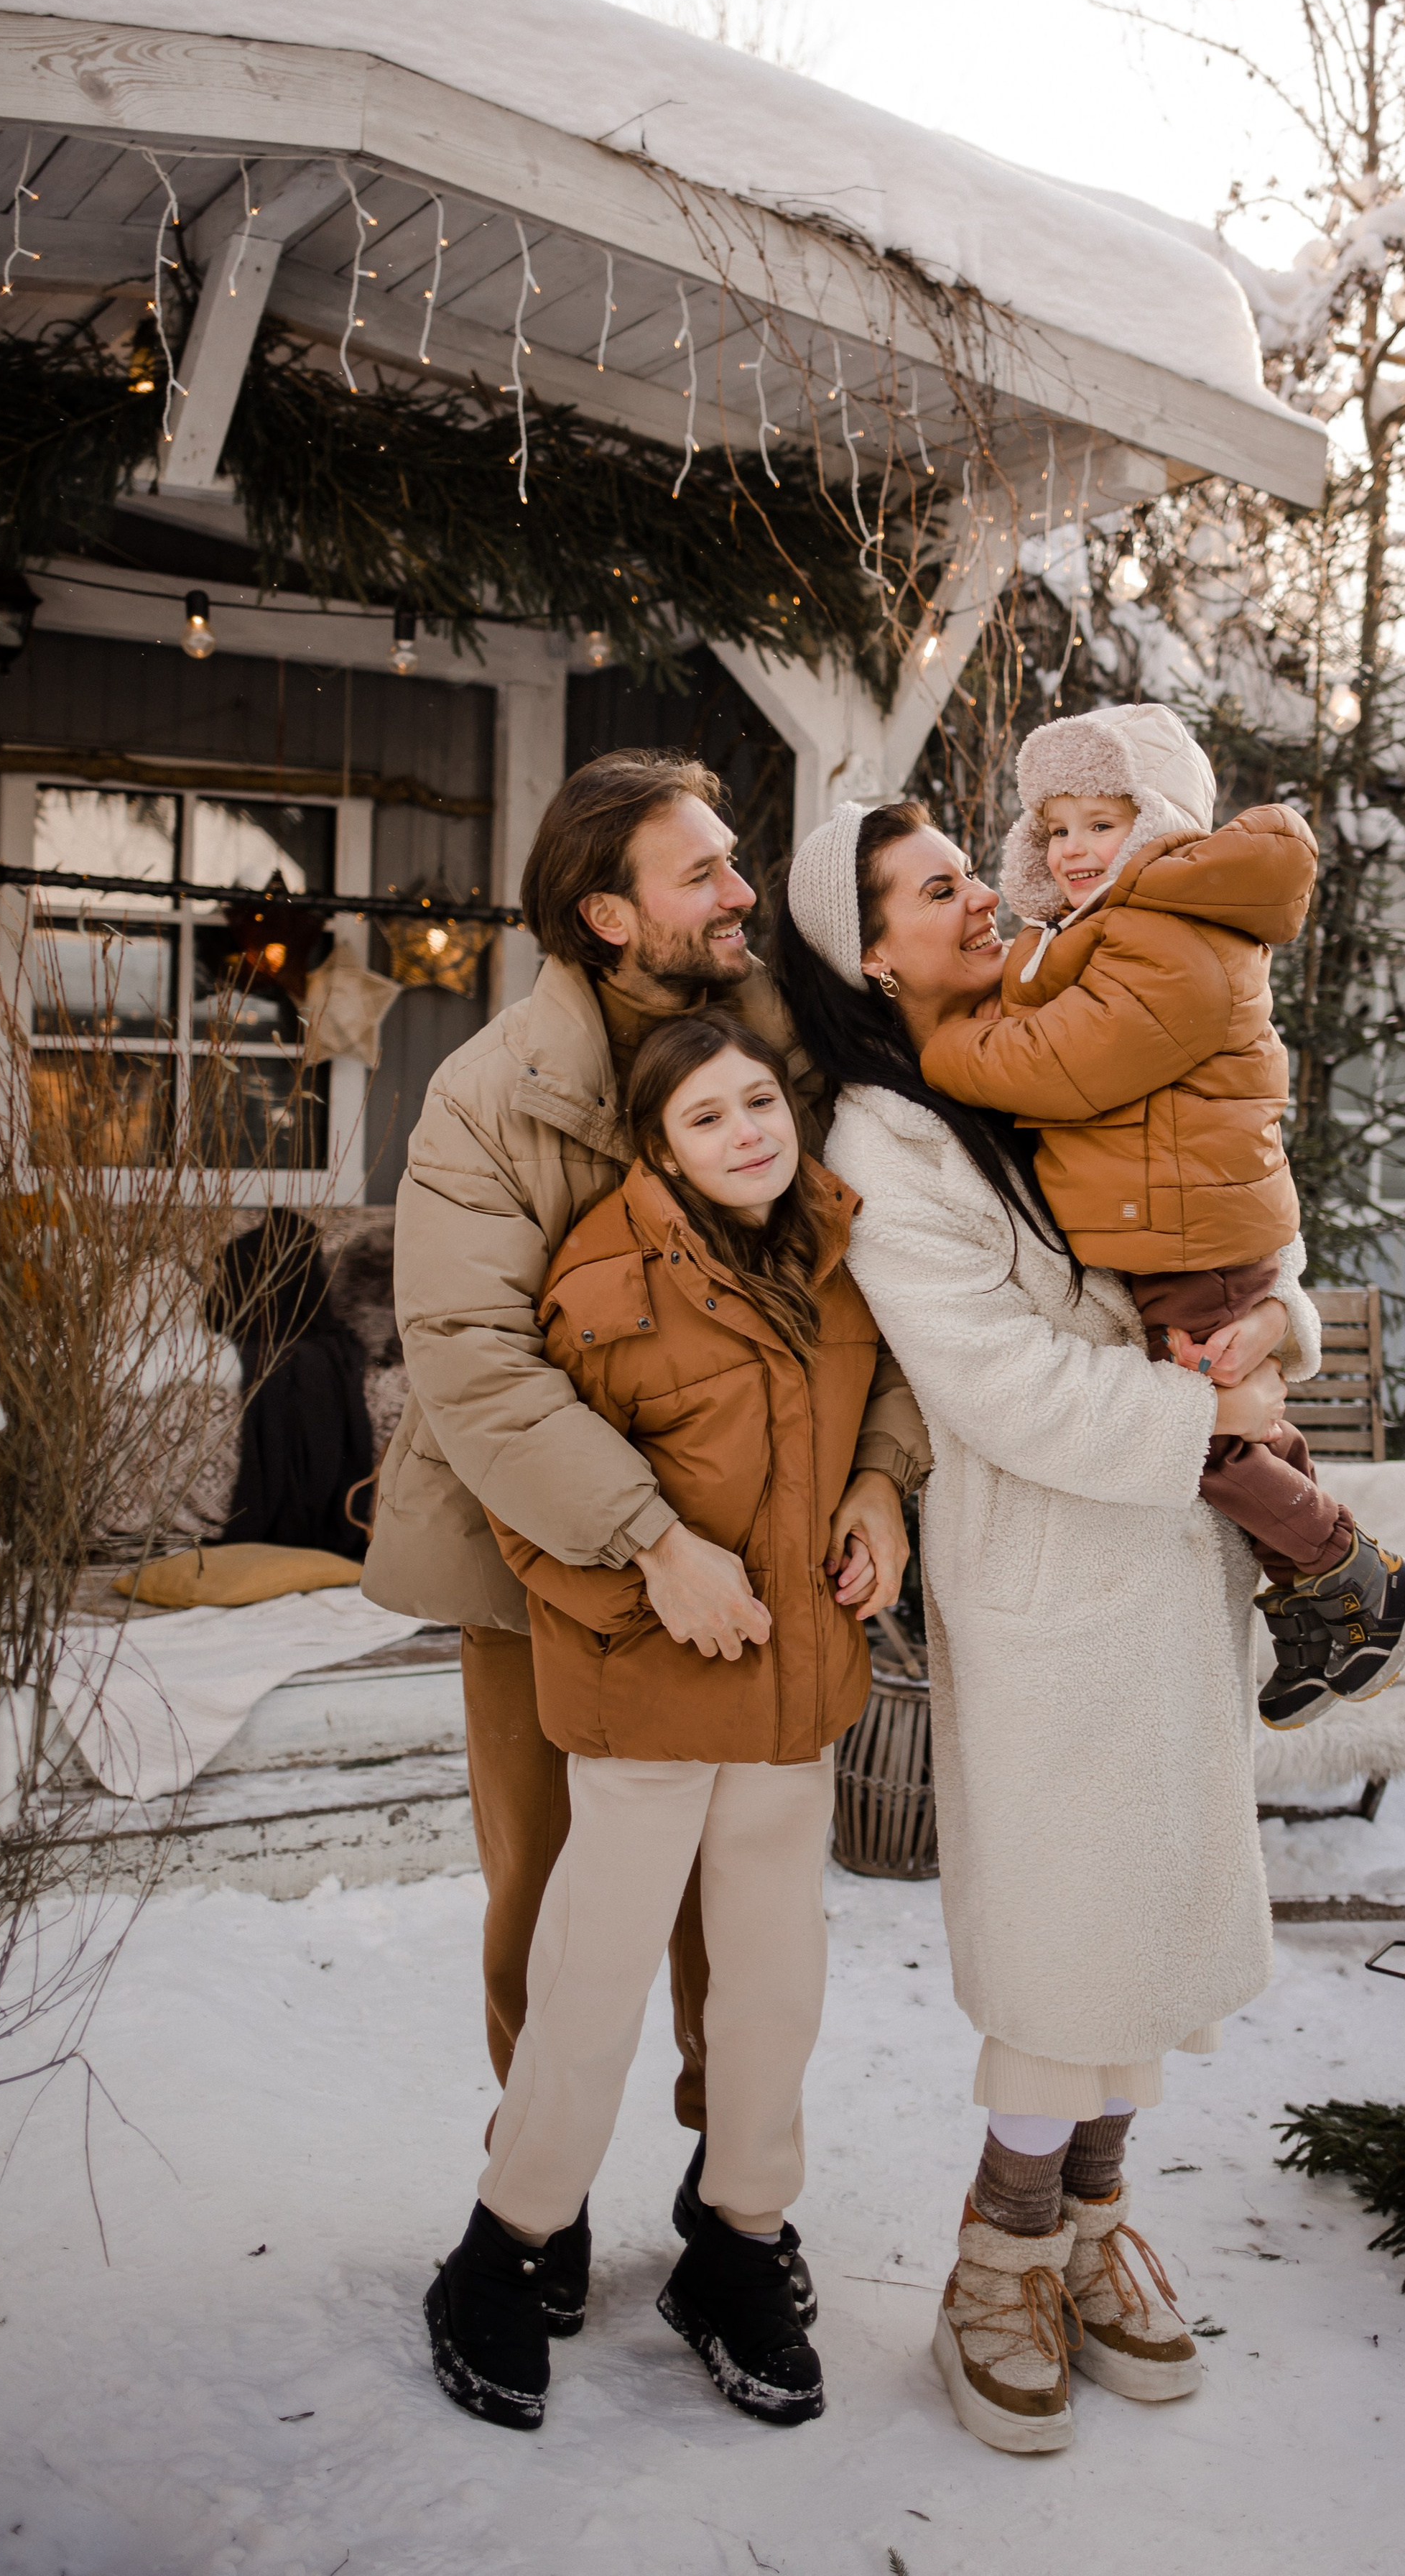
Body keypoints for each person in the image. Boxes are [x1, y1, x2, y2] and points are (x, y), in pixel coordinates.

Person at [776, 797, 1320, 2456]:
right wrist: (1205, 1420)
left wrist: (1272, 1325)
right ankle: (997, 2255)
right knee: (1060, 1940)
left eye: (967, 869)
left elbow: (1225, 1194)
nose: (976, 895)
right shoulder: (883, 1136)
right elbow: (992, 1381)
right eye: (931, 889)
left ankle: (1091, 2228)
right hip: (1053, 1572)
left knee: (1145, 1918)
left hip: (1173, 1562)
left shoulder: (1062, 1034)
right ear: (867, 954)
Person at [363, 753, 927, 2339]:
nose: (744, 892)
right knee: (557, 1890)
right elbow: (472, 1357)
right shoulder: (493, 1094)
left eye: (734, 862)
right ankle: (532, 2199)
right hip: (539, 1551)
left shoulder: (783, 1060)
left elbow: (876, 1299)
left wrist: (881, 1481)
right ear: (609, 916)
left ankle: (725, 2195)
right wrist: (645, 1537)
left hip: (772, 1560)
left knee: (746, 1916)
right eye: (704, 875)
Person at [425, 1014, 896, 2432]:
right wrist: (652, 1571)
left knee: (772, 1986)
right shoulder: (603, 1282)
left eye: (759, 1102)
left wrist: (881, 1490)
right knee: (592, 1982)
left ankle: (739, 2242)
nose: (747, 1132)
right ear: (658, 1151)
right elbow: (527, 1497)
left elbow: (890, 1390)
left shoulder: (833, 1247)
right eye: (706, 1117)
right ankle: (505, 2244)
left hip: (796, 1693)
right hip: (649, 1698)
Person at [918, 703, 1405, 1735]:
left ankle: (1351, 1571)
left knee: (1196, 1436)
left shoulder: (1169, 933)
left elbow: (1062, 1064)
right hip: (1184, 1227)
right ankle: (1319, 1601)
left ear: (1157, 823)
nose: (1071, 849)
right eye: (1055, 828)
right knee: (1242, 1416)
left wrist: (942, 1046)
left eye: (1100, 823)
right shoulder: (1126, 924)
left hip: (1191, 1233)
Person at [206, 1209, 374, 1559]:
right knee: (302, 1363)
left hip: (282, 1334)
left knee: (303, 1364)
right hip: (273, 1332)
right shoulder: (250, 1261)